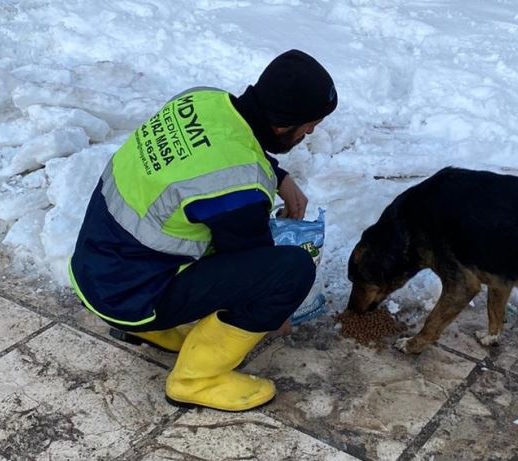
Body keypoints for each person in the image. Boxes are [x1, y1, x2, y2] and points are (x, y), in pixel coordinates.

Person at [68, 49, 337, 412]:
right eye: (309, 126)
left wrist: (279, 176)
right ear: (281, 126)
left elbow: (216, 151)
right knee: (290, 272)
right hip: (128, 295)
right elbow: (252, 262)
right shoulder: (239, 188)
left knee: (207, 232)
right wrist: (278, 313)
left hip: (94, 267)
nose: (309, 133)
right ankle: (197, 379)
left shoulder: (202, 99)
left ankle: (154, 330)